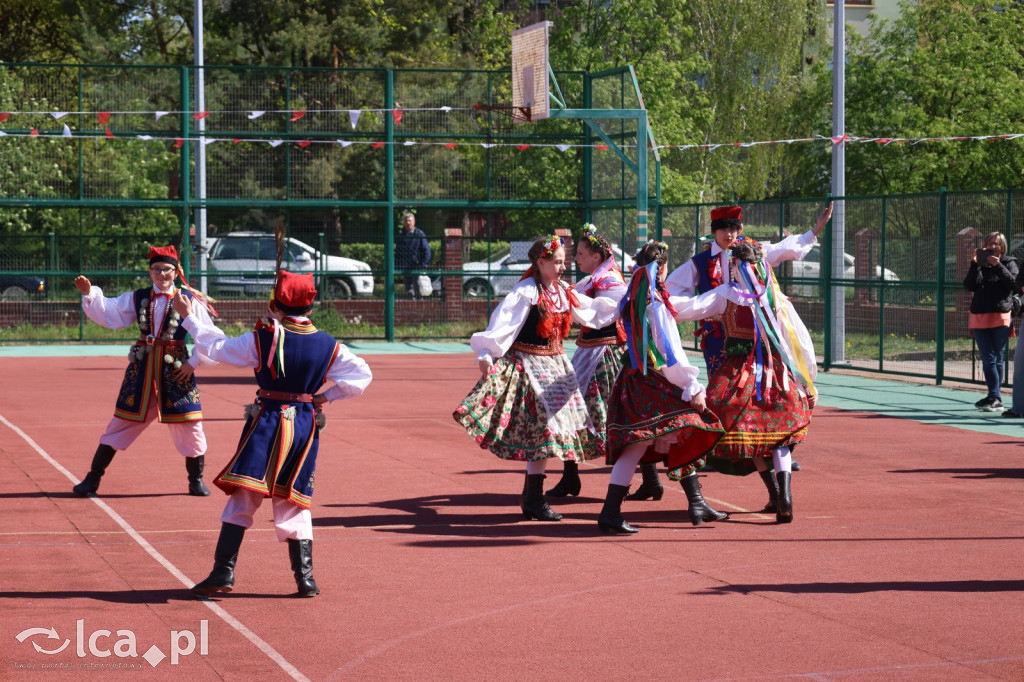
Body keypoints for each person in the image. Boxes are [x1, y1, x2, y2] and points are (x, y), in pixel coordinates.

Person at [177, 270, 372, 598]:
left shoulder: (263, 338)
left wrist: (190, 317)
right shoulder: (329, 345)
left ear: (274, 305)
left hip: (267, 421)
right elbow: (362, 375)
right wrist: (325, 397)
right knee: (293, 498)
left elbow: (216, 347)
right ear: (311, 306)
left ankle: (223, 570)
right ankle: (305, 578)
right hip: (303, 426)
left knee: (245, 494)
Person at [658, 203, 832, 509]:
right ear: (715, 232)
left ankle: (769, 489)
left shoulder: (743, 273)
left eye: (735, 228)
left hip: (750, 361)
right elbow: (678, 294)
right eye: (725, 229)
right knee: (771, 423)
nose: (730, 234)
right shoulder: (705, 264)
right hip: (726, 346)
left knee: (738, 417)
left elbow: (783, 249)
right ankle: (780, 495)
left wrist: (814, 230)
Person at [453, 236, 594, 522]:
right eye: (556, 262)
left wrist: (627, 304)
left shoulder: (563, 291)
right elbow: (503, 324)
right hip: (528, 366)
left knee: (547, 435)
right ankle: (534, 499)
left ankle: (533, 498)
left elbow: (593, 312)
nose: (562, 267)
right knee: (541, 432)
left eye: (564, 261)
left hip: (556, 368)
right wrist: (486, 352)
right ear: (540, 262)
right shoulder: (526, 292)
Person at [598, 241, 725, 534]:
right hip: (653, 380)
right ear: (661, 269)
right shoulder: (654, 303)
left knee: (659, 437)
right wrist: (692, 386)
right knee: (686, 424)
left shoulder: (634, 298)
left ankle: (696, 502)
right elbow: (670, 352)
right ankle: (610, 511)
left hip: (631, 377)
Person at [71, 245, 217, 498]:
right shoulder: (137, 297)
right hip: (142, 371)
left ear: (176, 272)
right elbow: (110, 313)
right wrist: (90, 294)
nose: (162, 274)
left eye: (167, 270)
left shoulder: (189, 300)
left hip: (175, 372)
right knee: (121, 422)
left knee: (190, 425)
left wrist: (193, 363)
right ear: (150, 272)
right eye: (157, 269)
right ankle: (92, 479)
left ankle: (196, 480)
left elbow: (210, 336)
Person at [699, 240, 819, 523]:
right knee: (779, 435)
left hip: (738, 372)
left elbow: (691, 307)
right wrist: (807, 380)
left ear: (734, 266)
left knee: (748, 433)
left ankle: (776, 494)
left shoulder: (726, 293)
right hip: (776, 372)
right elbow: (799, 341)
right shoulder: (775, 297)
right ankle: (783, 496)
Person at [547, 225, 629, 498]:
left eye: (581, 253)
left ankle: (648, 478)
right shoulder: (595, 278)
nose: (576, 259)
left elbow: (599, 315)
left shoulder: (611, 282)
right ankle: (570, 477)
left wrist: (563, 293)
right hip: (589, 353)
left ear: (596, 256)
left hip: (606, 357)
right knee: (570, 411)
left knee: (615, 416)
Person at [964, 231, 1018, 412]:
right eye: (989, 243)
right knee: (988, 358)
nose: (992, 246)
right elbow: (970, 285)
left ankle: (995, 396)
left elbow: (1013, 284)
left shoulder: (1009, 263)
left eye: (996, 243)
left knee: (996, 356)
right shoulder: (980, 265)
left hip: (1000, 314)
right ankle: (994, 395)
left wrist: (998, 266)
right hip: (979, 314)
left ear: (1002, 246)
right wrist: (974, 265)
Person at [395, 212, 431, 298]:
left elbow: (427, 250)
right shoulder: (402, 236)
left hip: (417, 267)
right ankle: (410, 308)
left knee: (418, 289)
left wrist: (424, 264)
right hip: (405, 267)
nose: (408, 223)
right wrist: (397, 265)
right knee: (409, 291)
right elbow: (398, 252)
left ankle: (420, 308)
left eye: (409, 221)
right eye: (406, 221)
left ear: (414, 222)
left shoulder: (419, 234)